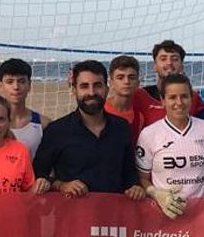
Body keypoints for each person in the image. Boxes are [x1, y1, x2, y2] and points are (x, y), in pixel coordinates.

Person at [34, 60, 144, 199]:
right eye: (84, 86)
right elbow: (39, 175)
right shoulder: (57, 130)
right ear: (74, 90)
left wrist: (135, 188)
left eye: (97, 85)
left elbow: (129, 174)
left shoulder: (121, 127)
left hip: (113, 215)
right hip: (72, 216)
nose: (91, 92)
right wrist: (62, 185)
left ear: (107, 88)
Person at [136, 74, 204, 201]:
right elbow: (142, 178)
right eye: (172, 97)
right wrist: (157, 194)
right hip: (163, 213)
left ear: (191, 98)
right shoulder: (149, 134)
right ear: (163, 100)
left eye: (184, 96)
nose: (179, 102)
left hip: (202, 214)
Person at [132, 39, 204, 128]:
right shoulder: (139, 96)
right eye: (163, 59)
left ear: (182, 66)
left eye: (175, 59)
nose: (169, 63)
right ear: (155, 66)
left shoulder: (193, 97)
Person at [105, 55, 145, 141]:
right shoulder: (100, 111)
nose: (126, 82)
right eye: (120, 77)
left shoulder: (139, 118)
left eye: (131, 77)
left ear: (138, 83)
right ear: (111, 83)